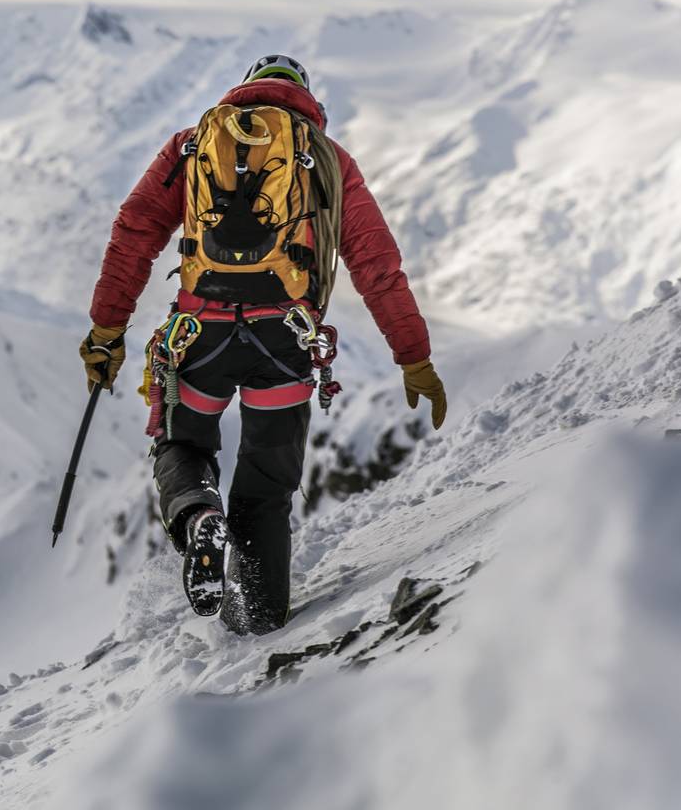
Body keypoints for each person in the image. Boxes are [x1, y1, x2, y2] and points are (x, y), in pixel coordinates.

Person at [78, 55, 447, 635]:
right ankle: (262, 618)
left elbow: (134, 233)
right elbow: (376, 265)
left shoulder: (192, 145)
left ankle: (199, 513)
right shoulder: (328, 160)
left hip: (199, 337)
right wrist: (413, 356)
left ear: (243, 89)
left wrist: (106, 332)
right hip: (286, 341)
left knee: (183, 442)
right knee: (266, 485)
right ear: (307, 100)